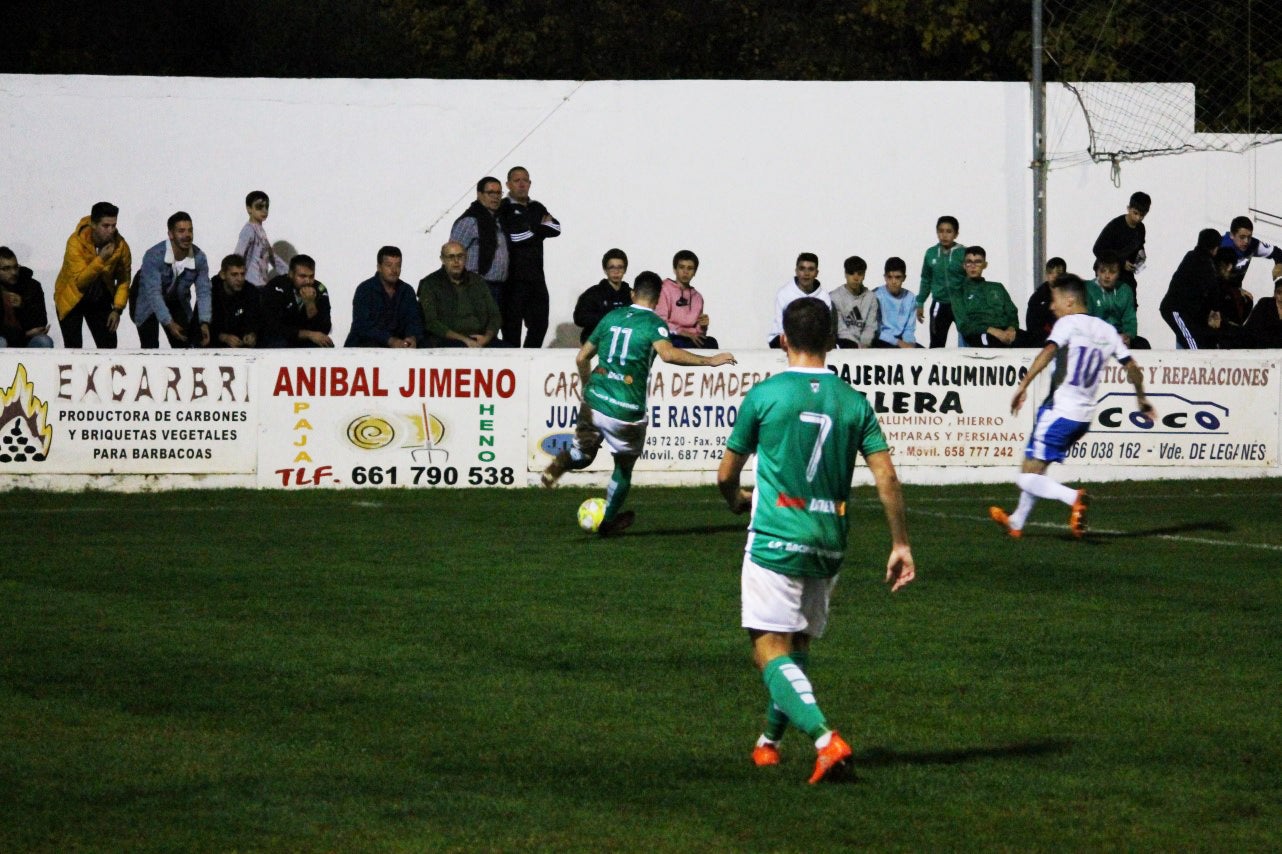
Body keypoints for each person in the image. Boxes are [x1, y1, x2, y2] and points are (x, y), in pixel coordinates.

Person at [717, 296, 915, 785]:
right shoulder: (852, 401)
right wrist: (900, 543)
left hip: (774, 536)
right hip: (830, 540)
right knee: (797, 641)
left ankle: (827, 740)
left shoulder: (765, 395)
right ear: (831, 340)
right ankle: (769, 743)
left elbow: (726, 474)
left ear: (783, 339)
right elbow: (886, 476)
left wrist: (736, 498)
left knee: (767, 647)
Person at [541, 271, 736, 535]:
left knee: (582, 455)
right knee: (623, 466)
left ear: (632, 293)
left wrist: (588, 387)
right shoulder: (654, 323)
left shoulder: (611, 317)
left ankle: (564, 461)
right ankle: (608, 521)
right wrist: (709, 360)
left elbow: (581, 358)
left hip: (595, 400)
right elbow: (668, 354)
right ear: (657, 300)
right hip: (626, 411)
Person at [990, 273, 1153, 539]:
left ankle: (1073, 497)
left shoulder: (1067, 324)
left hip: (1059, 410)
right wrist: (1141, 398)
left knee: (1025, 477)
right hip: (1083, 417)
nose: (1051, 307)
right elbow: (1132, 367)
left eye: (1054, 300)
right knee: (1036, 467)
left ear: (1069, 300)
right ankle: (1017, 522)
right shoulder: (1107, 330)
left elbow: (1047, 352)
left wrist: (1023, 386)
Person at [497, 166, 561, 347]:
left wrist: (531, 228)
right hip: (512, 278)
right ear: (508, 184)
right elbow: (515, 236)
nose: (522, 184)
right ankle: (513, 364)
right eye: (517, 180)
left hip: (536, 277)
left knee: (540, 323)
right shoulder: (504, 207)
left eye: (525, 180)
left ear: (530, 183)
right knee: (511, 327)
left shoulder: (537, 206)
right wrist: (539, 227)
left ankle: (529, 356)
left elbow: (556, 228)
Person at [54, 201, 132, 348]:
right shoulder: (75, 242)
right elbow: (80, 282)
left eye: (114, 225)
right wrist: (101, 258)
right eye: (106, 226)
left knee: (109, 346)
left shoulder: (120, 246)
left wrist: (117, 309)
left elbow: (124, 279)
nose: (111, 230)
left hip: (99, 296)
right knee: (73, 348)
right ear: (93, 225)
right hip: (71, 296)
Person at [132, 211, 211, 349]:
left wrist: (204, 322)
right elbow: (153, 293)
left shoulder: (199, 258)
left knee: (185, 342)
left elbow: (204, 292)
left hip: (175, 298)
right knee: (150, 346)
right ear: (170, 234)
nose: (187, 235)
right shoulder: (154, 256)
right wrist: (169, 322)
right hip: (145, 296)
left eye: (190, 230)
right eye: (181, 231)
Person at [418, 241, 502, 348]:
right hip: (446, 341)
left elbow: (495, 315)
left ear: (466, 258)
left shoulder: (478, 281)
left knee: (513, 355)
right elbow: (431, 322)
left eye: (460, 256)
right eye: (451, 257)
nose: (456, 261)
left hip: (481, 339)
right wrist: (464, 340)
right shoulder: (430, 284)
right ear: (442, 259)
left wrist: (487, 337)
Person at [952, 246, 1039, 347]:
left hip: (1005, 330)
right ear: (964, 265)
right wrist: (992, 331)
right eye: (969, 262)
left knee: (1036, 341)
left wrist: (1011, 328)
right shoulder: (958, 292)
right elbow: (964, 325)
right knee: (995, 342)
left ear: (985, 265)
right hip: (979, 334)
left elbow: (1012, 312)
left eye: (978, 262)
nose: (973, 266)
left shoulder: (997, 287)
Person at [345, 246, 426, 348]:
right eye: (389, 265)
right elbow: (362, 326)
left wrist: (412, 337)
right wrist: (390, 341)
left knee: (424, 344)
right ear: (379, 267)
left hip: (399, 345)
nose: (394, 270)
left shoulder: (407, 291)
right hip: (366, 346)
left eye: (398, 265)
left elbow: (414, 320)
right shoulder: (365, 289)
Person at [450, 177, 509, 310]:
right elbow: (452, 256)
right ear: (479, 194)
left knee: (491, 329)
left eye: (499, 193)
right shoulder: (469, 221)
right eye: (490, 193)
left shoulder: (499, 220)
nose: (495, 197)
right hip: (475, 287)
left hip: (499, 287)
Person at [1159, 228, 1222, 349]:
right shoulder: (1206, 264)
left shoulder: (1191, 256)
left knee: (1186, 338)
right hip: (1176, 310)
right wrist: (1216, 309)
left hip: (1180, 310)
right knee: (1192, 343)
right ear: (1215, 248)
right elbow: (1214, 290)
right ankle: (1196, 365)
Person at [260, 254, 333, 347]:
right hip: (279, 340)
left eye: (311, 276)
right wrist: (308, 334)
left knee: (326, 344)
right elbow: (273, 327)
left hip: (305, 341)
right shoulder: (276, 287)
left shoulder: (320, 289)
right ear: (291, 274)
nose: (308, 281)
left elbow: (325, 328)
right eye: (302, 276)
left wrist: (310, 304)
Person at [914, 215, 966, 348]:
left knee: (966, 341)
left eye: (949, 231)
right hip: (939, 304)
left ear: (956, 234)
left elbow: (970, 278)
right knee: (937, 344)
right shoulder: (931, 253)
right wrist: (920, 302)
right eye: (941, 231)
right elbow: (926, 279)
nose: (944, 235)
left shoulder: (963, 253)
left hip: (961, 304)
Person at [1092, 190, 1150, 301]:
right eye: (1135, 213)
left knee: (1130, 302)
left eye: (1142, 215)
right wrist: (1121, 262)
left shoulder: (1140, 228)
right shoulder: (1115, 226)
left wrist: (1140, 257)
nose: (1138, 218)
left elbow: (1139, 246)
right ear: (1128, 209)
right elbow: (1097, 249)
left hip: (1125, 274)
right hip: (1106, 272)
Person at [1086, 252, 1149, 349]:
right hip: (1094, 337)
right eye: (1103, 271)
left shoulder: (1125, 290)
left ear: (1119, 273)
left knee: (1142, 344)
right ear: (1097, 271)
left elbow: (1129, 318)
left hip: (1118, 335)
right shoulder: (1088, 289)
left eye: (1112, 272)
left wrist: (1127, 336)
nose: (1107, 276)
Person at [657, 249, 718, 348]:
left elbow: (699, 333)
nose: (685, 272)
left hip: (690, 338)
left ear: (695, 272)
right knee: (677, 343)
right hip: (670, 335)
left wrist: (703, 326)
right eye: (681, 267)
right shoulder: (664, 289)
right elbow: (660, 322)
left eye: (690, 268)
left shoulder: (698, 298)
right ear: (674, 269)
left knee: (711, 342)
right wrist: (682, 332)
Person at [767, 253, 830, 348]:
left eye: (811, 269)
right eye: (802, 269)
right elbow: (781, 326)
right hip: (787, 339)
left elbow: (825, 327)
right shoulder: (784, 294)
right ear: (796, 271)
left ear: (817, 273)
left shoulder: (824, 296)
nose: (806, 273)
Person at [573, 248, 632, 344]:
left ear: (625, 269)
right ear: (605, 270)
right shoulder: (593, 294)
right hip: (597, 344)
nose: (616, 271)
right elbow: (579, 318)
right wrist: (608, 318)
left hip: (625, 344)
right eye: (612, 267)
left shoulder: (631, 294)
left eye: (620, 267)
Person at [0, 247, 54, 348]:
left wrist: (22, 304)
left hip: (26, 340)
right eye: (6, 269)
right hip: (11, 337)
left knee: (44, 341)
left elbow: (40, 323)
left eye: (15, 267)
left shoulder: (32, 286)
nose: (13, 272)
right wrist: (24, 334)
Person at [234, 191, 289, 288]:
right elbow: (238, 255)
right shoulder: (248, 230)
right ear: (249, 208)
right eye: (259, 207)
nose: (264, 210)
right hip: (250, 283)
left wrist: (288, 272)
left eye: (266, 207)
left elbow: (271, 256)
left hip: (262, 283)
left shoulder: (261, 231)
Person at [209, 254, 261, 348]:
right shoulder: (210, 291)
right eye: (234, 274)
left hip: (242, 346)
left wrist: (252, 334)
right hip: (214, 346)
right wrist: (222, 337)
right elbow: (200, 326)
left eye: (242, 274)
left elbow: (256, 320)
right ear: (223, 275)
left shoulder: (251, 292)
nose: (240, 279)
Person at [829, 255, 880, 349]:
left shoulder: (871, 297)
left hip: (865, 344)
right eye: (851, 273)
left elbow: (871, 326)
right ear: (845, 274)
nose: (855, 278)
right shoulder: (834, 297)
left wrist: (864, 344)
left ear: (864, 275)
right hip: (844, 342)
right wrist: (856, 345)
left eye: (860, 274)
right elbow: (841, 329)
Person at [1220, 215, 1282, 290]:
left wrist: (1279, 264)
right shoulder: (1220, 247)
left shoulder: (1253, 244)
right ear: (1232, 235)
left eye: (1249, 237)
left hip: (1235, 288)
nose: (1246, 241)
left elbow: (1277, 252)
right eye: (1242, 237)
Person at [873, 257, 920, 348]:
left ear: (904, 278)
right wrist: (898, 342)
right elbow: (875, 330)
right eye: (890, 277)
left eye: (898, 277)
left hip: (901, 340)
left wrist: (910, 343)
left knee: (925, 355)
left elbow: (909, 329)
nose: (893, 281)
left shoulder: (910, 297)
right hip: (881, 340)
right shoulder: (876, 296)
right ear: (885, 277)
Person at [1026, 257, 1066, 347]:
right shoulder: (1038, 297)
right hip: (1043, 341)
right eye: (1051, 273)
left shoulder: (1072, 294)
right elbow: (1032, 326)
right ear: (1046, 274)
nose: (1054, 276)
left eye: (1058, 273)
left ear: (1064, 275)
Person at [1243, 277, 1282, 348]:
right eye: (1279, 292)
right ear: (1274, 293)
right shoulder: (1265, 304)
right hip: (1262, 347)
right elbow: (1252, 328)